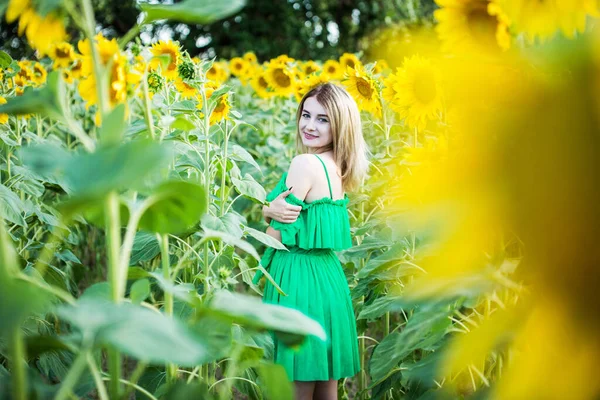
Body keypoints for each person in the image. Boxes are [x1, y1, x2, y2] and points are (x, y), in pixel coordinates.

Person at [253, 83, 368, 400]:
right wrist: (269, 210)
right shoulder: (337, 167)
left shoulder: (304, 164)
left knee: (296, 383)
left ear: (339, 125)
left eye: (323, 119)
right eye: (306, 115)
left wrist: (267, 212)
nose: (309, 125)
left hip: (298, 280)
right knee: (325, 386)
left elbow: (274, 238)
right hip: (329, 280)